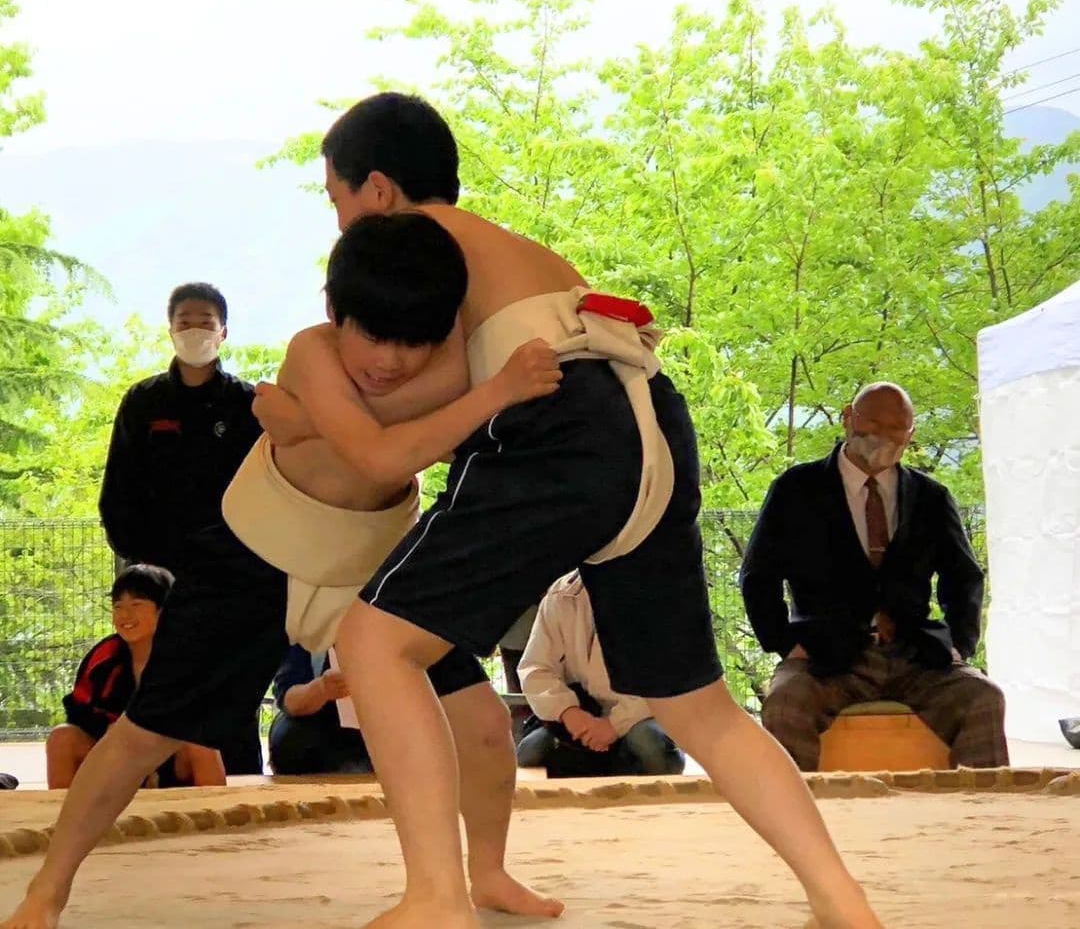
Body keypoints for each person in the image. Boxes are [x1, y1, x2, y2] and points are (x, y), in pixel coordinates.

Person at [292, 91, 878, 928]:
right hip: (650, 424)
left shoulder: (420, 245)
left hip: (561, 429)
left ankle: (435, 898)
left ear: (378, 190)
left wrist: (310, 402)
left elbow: (417, 399)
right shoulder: (517, 251)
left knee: (374, 642)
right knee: (697, 705)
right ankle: (841, 899)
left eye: (336, 199)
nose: (340, 221)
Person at [1, 212, 562, 929]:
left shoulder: (458, 353)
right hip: (256, 553)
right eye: (372, 335)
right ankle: (47, 889)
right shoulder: (313, 352)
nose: (390, 360)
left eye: (412, 342)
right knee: (146, 730)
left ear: (444, 324)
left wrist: (313, 423)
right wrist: (493, 390)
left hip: (371, 559)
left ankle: (488, 871)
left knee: (479, 718)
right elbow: (381, 455)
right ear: (335, 312)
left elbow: (435, 420)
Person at [739, 381, 1008, 772]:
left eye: (897, 429)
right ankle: (799, 810)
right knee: (785, 705)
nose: (883, 437)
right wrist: (784, 643)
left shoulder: (931, 497)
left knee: (983, 698)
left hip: (917, 654)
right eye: (873, 424)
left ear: (911, 434)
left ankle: (980, 807)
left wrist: (959, 644)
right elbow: (758, 575)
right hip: (823, 656)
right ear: (848, 418)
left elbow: (964, 576)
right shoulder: (795, 490)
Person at [98, 282, 264, 776]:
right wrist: (141, 566)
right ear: (170, 329)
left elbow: (269, 488)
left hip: (232, 569)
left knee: (230, 678)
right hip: (158, 570)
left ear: (224, 331)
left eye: (205, 322)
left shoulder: (247, 404)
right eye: (185, 321)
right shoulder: (143, 402)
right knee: (157, 680)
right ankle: (151, 781)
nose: (195, 330)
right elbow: (118, 490)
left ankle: (239, 779)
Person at [46, 565, 225, 790]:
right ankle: (63, 810)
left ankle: (212, 808)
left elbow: (210, 714)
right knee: (61, 737)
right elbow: (78, 712)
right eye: (118, 606)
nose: (125, 615)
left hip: (171, 756)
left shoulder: (189, 657)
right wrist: (115, 732)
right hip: (115, 756)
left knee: (202, 742)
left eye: (136, 605)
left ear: (164, 611)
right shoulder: (104, 657)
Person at [516, 572, 684, 778]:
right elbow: (535, 668)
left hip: (639, 718)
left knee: (649, 744)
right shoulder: (560, 595)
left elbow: (668, 679)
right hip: (581, 717)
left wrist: (614, 725)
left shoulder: (656, 592)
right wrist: (568, 712)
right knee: (530, 752)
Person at [268, 645, 371, 776]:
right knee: (291, 737)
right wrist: (322, 688)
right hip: (322, 733)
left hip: (382, 733)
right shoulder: (306, 638)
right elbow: (288, 699)